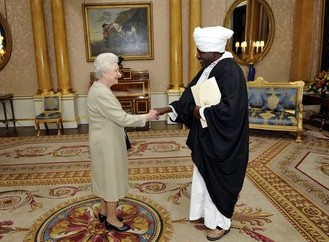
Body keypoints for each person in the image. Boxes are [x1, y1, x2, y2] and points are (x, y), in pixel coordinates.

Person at [155, 26, 249, 241]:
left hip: (224, 142)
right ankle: (207, 214)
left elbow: (231, 111)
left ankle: (221, 222)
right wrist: (169, 108)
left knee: (220, 180)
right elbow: (190, 98)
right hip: (208, 137)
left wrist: (202, 111)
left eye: (201, 51)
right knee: (205, 178)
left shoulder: (230, 71)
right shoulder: (210, 67)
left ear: (214, 51)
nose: (197, 55)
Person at [87, 52, 158, 232]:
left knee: (105, 175)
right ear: (104, 73)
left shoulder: (99, 88)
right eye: (116, 70)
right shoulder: (101, 92)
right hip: (107, 143)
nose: (119, 74)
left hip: (104, 139)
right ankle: (111, 219)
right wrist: (146, 116)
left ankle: (103, 211)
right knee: (110, 177)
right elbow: (123, 119)